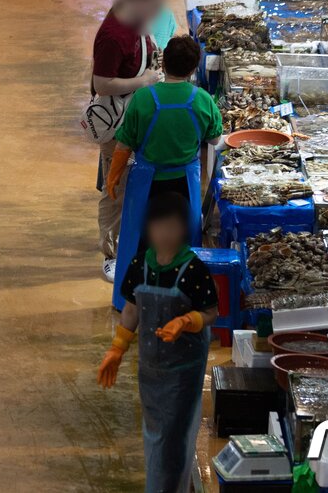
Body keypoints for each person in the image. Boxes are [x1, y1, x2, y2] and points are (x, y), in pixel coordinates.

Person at [97, 192, 219, 493]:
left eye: (173, 227)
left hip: (185, 370)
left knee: (173, 438)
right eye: (159, 227)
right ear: (149, 229)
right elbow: (132, 308)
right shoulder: (140, 265)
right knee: (154, 435)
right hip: (150, 368)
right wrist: (118, 347)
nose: (166, 234)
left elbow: (211, 312)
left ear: (184, 229)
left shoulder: (193, 270)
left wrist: (186, 321)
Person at [103, 34, 223, 309]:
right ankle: (181, 299)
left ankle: (129, 302)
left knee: (140, 243)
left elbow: (124, 143)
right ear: (194, 68)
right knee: (182, 243)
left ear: (163, 62)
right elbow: (215, 140)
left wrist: (113, 176)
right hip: (185, 184)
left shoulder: (144, 98)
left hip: (147, 184)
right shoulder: (202, 100)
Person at [93, 0, 169, 282]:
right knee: (116, 188)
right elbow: (102, 84)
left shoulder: (137, 20)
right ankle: (111, 254)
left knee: (132, 185)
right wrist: (145, 80)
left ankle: (130, 242)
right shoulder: (113, 36)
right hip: (118, 125)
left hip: (137, 115)